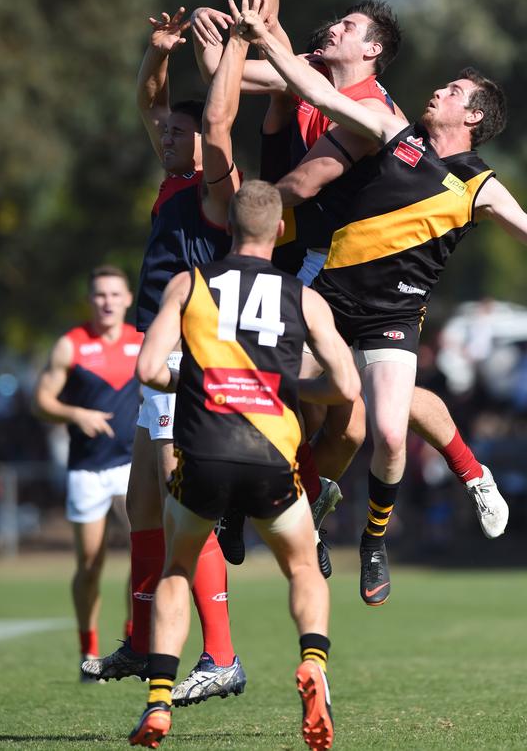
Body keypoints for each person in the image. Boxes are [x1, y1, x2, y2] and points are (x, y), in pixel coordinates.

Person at [235, 0, 527, 606]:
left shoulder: (481, 187)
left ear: (472, 117)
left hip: (393, 316)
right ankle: (270, 502)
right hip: (329, 297)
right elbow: (324, 94)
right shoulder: (394, 132)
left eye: (451, 91)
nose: (436, 92)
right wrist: (271, 43)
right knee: (283, 389)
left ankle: (375, 540)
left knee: (389, 432)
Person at [191, 0, 509, 551]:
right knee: (353, 403)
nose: (331, 26)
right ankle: (300, 496)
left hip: (321, 256)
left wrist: (242, 209)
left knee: (359, 412)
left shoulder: (372, 112)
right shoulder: (308, 71)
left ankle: (320, 497)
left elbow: (304, 184)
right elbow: (256, 48)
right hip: (286, 246)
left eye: (347, 25)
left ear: (370, 49)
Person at [128, 180, 360, 751]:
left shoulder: (188, 283)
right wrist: (284, 384)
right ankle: (312, 662)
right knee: (304, 567)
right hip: (272, 458)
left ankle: (159, 699)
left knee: (178, 568)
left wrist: (205, 384)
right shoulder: (304, 299)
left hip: (203, 454)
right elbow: (347, 386)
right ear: (280, 230)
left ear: (225, 226)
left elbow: (149, 368)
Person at [81, 2, 246, 705]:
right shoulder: (174, 178)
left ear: (204, 144)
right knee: (140, 502)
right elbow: (149, 98)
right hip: (159, 365)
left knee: (185, 512)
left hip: (189, 364)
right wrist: (159, 53)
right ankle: (145, 633)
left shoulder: (216, 192)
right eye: (169, 130)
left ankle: (222, 654)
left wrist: (226, 57)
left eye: (180, 131)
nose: (167, 134)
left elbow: (216, 121)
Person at [33, 265, 142, 678]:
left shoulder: (141, 339)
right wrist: (76, 413)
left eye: (115, 294)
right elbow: (41, 400)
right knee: (91, 564)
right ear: (90, 300)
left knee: (143, 552)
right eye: (99, 295)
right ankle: (88, 649)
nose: (107, 302)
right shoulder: (71, 345)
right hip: (86, 470)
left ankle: (135, 641)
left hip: (132, 465)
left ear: (128, 298)